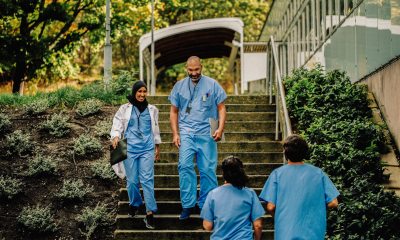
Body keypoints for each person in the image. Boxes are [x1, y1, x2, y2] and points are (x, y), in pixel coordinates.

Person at [169, 56, 227, 220]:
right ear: (186, 69)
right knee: (185, 166)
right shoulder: (179, 86)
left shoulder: (212, 84)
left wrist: (220, 129)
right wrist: (175, 133)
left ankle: (206, 205)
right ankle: (188, 205)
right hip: (187, 132)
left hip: (207, 132)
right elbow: (173, 111)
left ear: (201, 67)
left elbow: (221, 108)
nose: (194, 73)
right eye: (190, 70)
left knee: (208, 170)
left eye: (197, 69)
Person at [259, 134, 339, 240]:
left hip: (285, 233)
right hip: (313, 233)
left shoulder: (277, 174)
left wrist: (280, 217)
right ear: (304, 152)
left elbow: (270, 207)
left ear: (286, 153)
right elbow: (334, 202)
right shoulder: (318, 173)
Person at [110, 81, 161, 229]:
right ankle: (135, 203)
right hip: (130, 148)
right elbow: (117, 124)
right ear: (134, 92)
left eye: (144, 91)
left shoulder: (152, 109)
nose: (142, 94)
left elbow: (155, 129)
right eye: (139, 91)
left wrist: (157, 147)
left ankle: (150, 212)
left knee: (147, 180)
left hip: (147, 148)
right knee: (132, 181)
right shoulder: (124, 108)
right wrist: (115, 136)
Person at [201, 156, 264, 240]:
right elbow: (258, 225)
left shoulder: (212, 194)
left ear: (223, 173)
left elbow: (207, 226)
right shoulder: (250, 193)